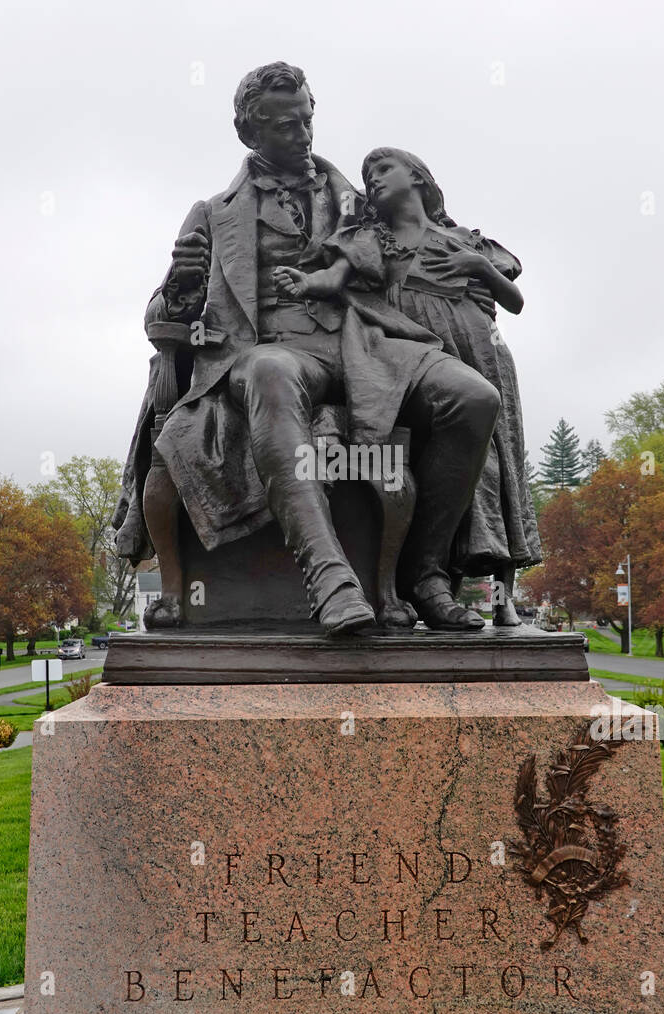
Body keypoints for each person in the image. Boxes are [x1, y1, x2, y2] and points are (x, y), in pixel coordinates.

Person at [113, 65, 502, 635]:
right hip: (267, 351)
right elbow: (163, 319)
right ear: (251, 132)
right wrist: (179, 284)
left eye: (307, 120)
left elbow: (434, 234)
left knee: (474, 398)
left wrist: (482, 275)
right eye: (285, 127)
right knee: (271, 371)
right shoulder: (213, 213)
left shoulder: (357, 200)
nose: (303, 135)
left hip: (365, 341)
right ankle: (331, 579)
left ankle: (427, 576)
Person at [274, 146, 541, 623]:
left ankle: (467, 586)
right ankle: (423, 581)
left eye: (383, 169)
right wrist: (305, 283)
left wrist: (478, 267)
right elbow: (335, 277)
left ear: (418, 176)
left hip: (481, 353)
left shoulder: (464, 238)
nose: (372, 179)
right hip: (411, 349)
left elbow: (515, 300)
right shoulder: (372, 238)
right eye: (366, 174)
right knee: (455, 436)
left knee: (494, 464)